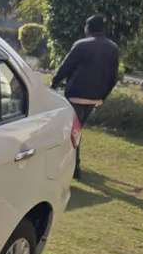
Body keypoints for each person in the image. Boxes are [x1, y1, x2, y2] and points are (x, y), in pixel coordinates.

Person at [50, 14, 120, 179]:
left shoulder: (81, 45)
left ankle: (74, 167)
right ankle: (73, 166)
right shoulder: (113, 48)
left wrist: (54, 83)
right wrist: (103, 96)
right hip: (95, 97)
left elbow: (65, 67)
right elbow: (113, 77)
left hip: (76, 94)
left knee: (71, 131)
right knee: (76, 130)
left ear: (88, 27)